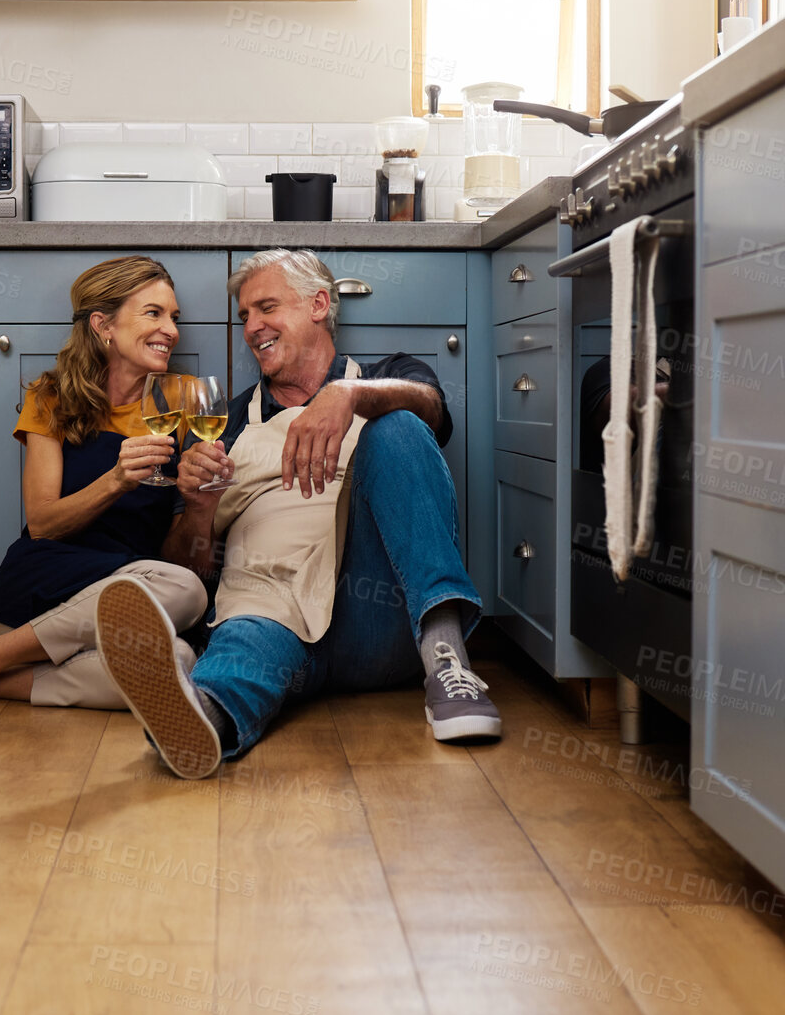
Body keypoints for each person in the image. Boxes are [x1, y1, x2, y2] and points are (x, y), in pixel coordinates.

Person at [91, 248, 500, 779]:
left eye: (266, 308)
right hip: (272, 611)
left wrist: (350, 395)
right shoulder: (225, 421)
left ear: (319, 305)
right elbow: (190, 571)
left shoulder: (386, 376)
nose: (252, 328)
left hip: (378, 618)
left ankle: (448, 662)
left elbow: (433, 411)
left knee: (397, 426)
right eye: (244, 317)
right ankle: (199, 714)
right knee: (242, 643)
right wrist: (199, 508)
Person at [0, 256, 207, 707]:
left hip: (135, 595)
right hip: (42, 586)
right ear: (102, 325)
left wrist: (201, 500)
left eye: (174, 317)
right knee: (185, 591)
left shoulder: (185, 399)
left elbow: (176, 554)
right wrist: (116, 480)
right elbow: (44, 524)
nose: (171, 329)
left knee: (180, 657)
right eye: (154, 313)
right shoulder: (53, 396)